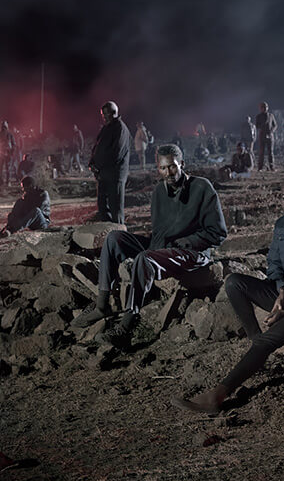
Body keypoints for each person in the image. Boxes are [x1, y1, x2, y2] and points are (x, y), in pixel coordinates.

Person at [171, 171, 284, 414]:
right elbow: (274, 263)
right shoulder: (283, 224)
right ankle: (256, 351)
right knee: (234, 283)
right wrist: (282, 292)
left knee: (268, 339)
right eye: (283, 197)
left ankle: (216, 398)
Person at [72, 145, 228, 343]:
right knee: (114, 238)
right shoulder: (159, 193)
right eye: (163, 168)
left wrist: (186, 242)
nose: (168, 173)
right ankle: (102, 305)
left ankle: (127, 324)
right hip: (161, 249)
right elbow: (159, 233)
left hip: (191, 252)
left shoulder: (202, 187)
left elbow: (218, 233)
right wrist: (155, 248)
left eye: (172, 167)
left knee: (144, 258)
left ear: (182, 164)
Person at [90, 101, 133, 224]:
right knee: (103, 206)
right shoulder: (107, 127)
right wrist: (92, 162)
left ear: (113, 113)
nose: (103, 117)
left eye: (105, 115)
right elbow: (97, 147)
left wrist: (99, 165)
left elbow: (116, 154)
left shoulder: (120, 128)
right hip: (104, 174)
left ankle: (119, 234)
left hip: (115, 175)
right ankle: (108, 233)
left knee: (116, 208)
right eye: (102, 115)